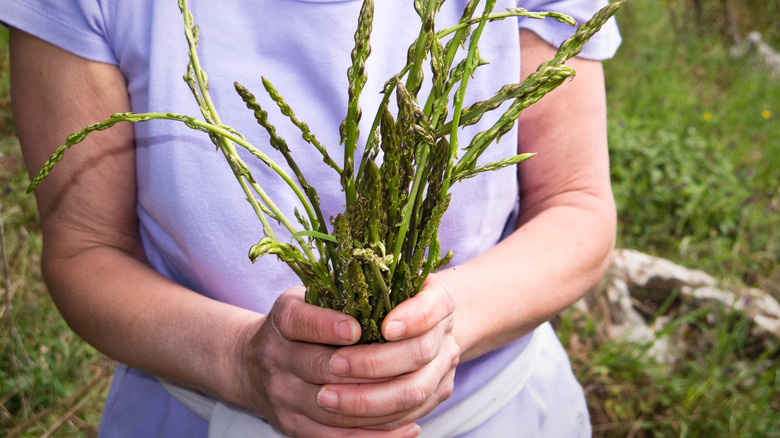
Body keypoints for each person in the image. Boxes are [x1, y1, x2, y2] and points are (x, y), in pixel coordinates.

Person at [2, 0, 620, 436]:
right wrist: (242, 360)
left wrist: (442, 330)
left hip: (492, 416)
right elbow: (84, 246)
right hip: (199, 416)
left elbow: (576, 204)